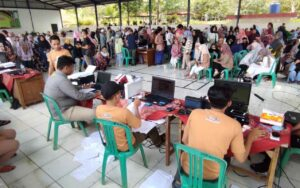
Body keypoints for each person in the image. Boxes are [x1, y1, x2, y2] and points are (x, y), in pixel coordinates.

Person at [172, 85, 266, 187]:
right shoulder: (234, 125)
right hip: (211, 178)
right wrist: (251, 137)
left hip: (186, 171)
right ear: (229, 103)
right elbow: (241, 158)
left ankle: (178, 182)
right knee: (227, 158)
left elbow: (185, 140)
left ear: (208, 99)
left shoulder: (195, 113)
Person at [96, 81, 162, 152]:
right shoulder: (123, 112)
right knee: (151, 127)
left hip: (110, 144)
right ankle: (159, 143)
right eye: (119, 93)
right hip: (125, 147)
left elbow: (111, 116)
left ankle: (158, 141)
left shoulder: (98, 109)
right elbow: (138, 125)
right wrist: (136, 107)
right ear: (116, 96)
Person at [44, 56, 98, 124]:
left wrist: (82, 87)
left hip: (58, 108)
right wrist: (94, 94)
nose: (73, 69)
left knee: (85, 102)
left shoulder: (54, 75)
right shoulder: (61, 80)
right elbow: (79, 96)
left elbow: (69, 87)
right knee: (97, 113)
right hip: (63, 112)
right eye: (72, 67)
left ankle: (83, 123)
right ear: (66, 67)